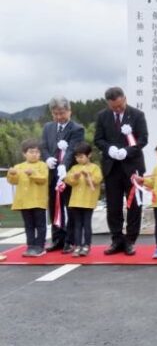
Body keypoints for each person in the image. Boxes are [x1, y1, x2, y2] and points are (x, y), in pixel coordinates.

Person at [94, 86, 148, 256]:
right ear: (108, 104)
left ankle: (130, 240)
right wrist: (108, 149)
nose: (117, 109)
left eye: (120, 105)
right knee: (113, 206)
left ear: (124, 99)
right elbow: (98, 139)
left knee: (134, 205)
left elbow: (143, 139)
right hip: (112, 167)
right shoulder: (102, 116)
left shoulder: (137, 115)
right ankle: (116, 239)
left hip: (132, 166)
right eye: (113, 107)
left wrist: (127, 151)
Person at [40, 96, 85, 253]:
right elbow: (43, 146)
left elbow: (73, 150)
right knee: (54, 207)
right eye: (55, 114)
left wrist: (64, 165)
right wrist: (47, 158)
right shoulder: (48, 127)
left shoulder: (77, 129)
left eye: (62, 113)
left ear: (69, 111)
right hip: (52, 174)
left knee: (70, 208)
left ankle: (71, 240)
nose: (59, 117)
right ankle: (57, 239)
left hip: (69, 175)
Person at [7, 139, 48, 257]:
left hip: (38, 201)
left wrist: (32, 173)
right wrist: (12, 174)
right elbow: (13, 181)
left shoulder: (42, 165)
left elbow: (43, 179)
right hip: (24, 202)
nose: (35, 154)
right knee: (29, 225)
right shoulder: (19, 166)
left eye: (37, 152)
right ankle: (30, 246)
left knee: (40, 225)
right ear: (24, 154)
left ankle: (40, 246)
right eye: (31, 152)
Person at [64, 142, 103, 257]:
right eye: (77, 157)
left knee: (86, 224)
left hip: (88, 201)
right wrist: (74, 177)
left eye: (81, 156)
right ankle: (77, 245)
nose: (78, 159)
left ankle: (86, 245)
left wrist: (87, 176)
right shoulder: (74, 168)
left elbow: (97, 180)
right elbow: (68, 180)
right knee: (77, 224)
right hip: (76, 201)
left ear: (89, 155)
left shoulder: (95, 168)